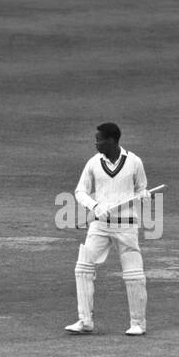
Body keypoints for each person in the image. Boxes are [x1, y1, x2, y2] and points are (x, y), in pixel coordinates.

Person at [67, 123, 153, 337]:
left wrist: (145, 195)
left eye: (99, 140)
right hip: (100, 224)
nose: (96, 144)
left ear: (112, 140)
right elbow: (80, 191)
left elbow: (142, 188)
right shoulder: (93, 163)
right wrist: (95, 206)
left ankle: (138, 323)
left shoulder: (134, 162)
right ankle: (85, 321)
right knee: (83, 267)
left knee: (133, 274)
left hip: (126, 224)